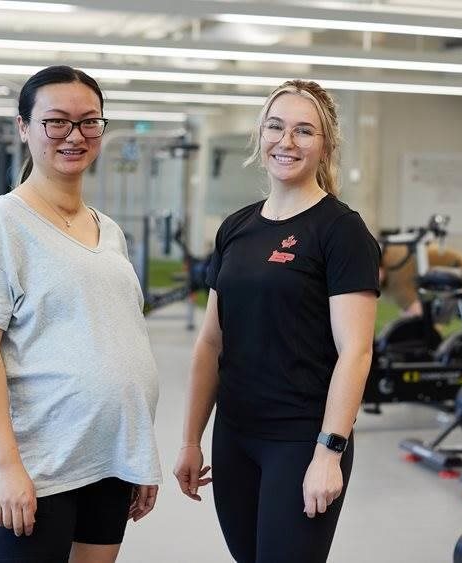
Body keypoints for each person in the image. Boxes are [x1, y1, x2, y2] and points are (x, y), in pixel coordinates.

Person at [0, 65, 160, 563]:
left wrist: (137, 454)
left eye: (90, 122)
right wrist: (5, 466)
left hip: (109, 459)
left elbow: (119, 340)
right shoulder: (1, 224)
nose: (75, 135)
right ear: (24, 127)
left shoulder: (108, 230)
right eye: (56, 122)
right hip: (39, 465)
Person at [173, 79, 380, 563]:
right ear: (260, 135)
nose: (286, 142)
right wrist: (190, 440)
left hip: (301, 440)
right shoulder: (236, 228)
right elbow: (210, 342)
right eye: (276, 127)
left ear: (325, 144)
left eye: (304, 131)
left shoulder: (340, 230)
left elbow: (357, 351)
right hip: (235, 436)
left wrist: (329, 452)